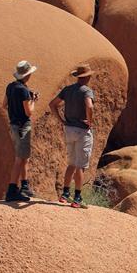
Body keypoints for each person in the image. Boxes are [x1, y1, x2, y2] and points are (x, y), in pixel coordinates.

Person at [49, 65, 95, 208]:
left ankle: (64, 194)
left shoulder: (67, 90)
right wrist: (90, 121)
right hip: (82, 131)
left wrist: (61, 120)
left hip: (69, 129)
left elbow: (52, 104)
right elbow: (90, 106)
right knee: (80, 166)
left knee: (71, 163)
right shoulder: (86, 91)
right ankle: (77, 198)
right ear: (86, 77)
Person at [3, 60, 38, 202]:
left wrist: (14, 110)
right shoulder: (23, 90)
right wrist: (33, 100)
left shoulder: (10, 87)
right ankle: (12, 190)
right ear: (26, 75)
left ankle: (24, 186)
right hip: (23, 126)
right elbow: (29, 112)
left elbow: (4, 105)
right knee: (19, 158)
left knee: (24, 157)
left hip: (13, 125)